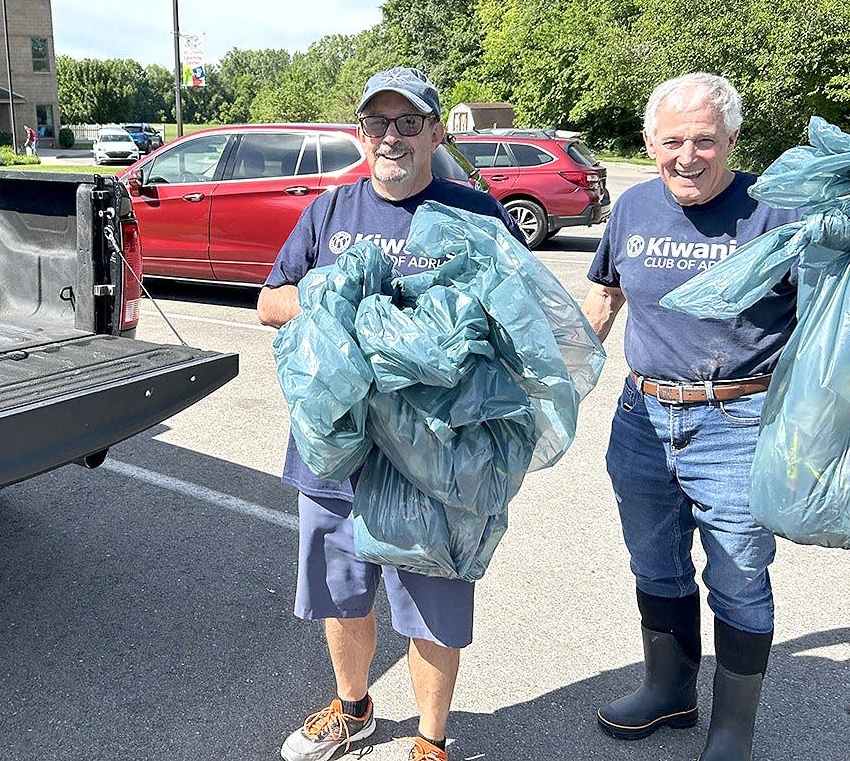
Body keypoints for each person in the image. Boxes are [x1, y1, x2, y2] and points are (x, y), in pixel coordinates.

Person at [259, 67, 525, 761]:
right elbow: (271, 301)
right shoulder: (330, 210)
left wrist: (423, 336)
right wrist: (347, 311)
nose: (393, 137)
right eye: (378, 123)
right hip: (339, 450)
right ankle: (355, 710)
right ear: (360, 134)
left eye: (410, 123)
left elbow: (523, 322)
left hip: (436, 457)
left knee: (433, 600)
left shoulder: (475, 213)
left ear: (437, 132)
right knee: (341, 595)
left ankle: (431, 741)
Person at [582, 73, 802, 761]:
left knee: (738, 573)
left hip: (739, 419)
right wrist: (542, 381)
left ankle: (733, 728)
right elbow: (603, 299)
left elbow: (830, 322)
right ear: (650, 143)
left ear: (732, 139)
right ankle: (669, 691)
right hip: (641, 416)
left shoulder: (778, 211)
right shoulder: (636, 207)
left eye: (704, 140)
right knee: (654, 561)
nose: (687, 155)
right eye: (672, 140)